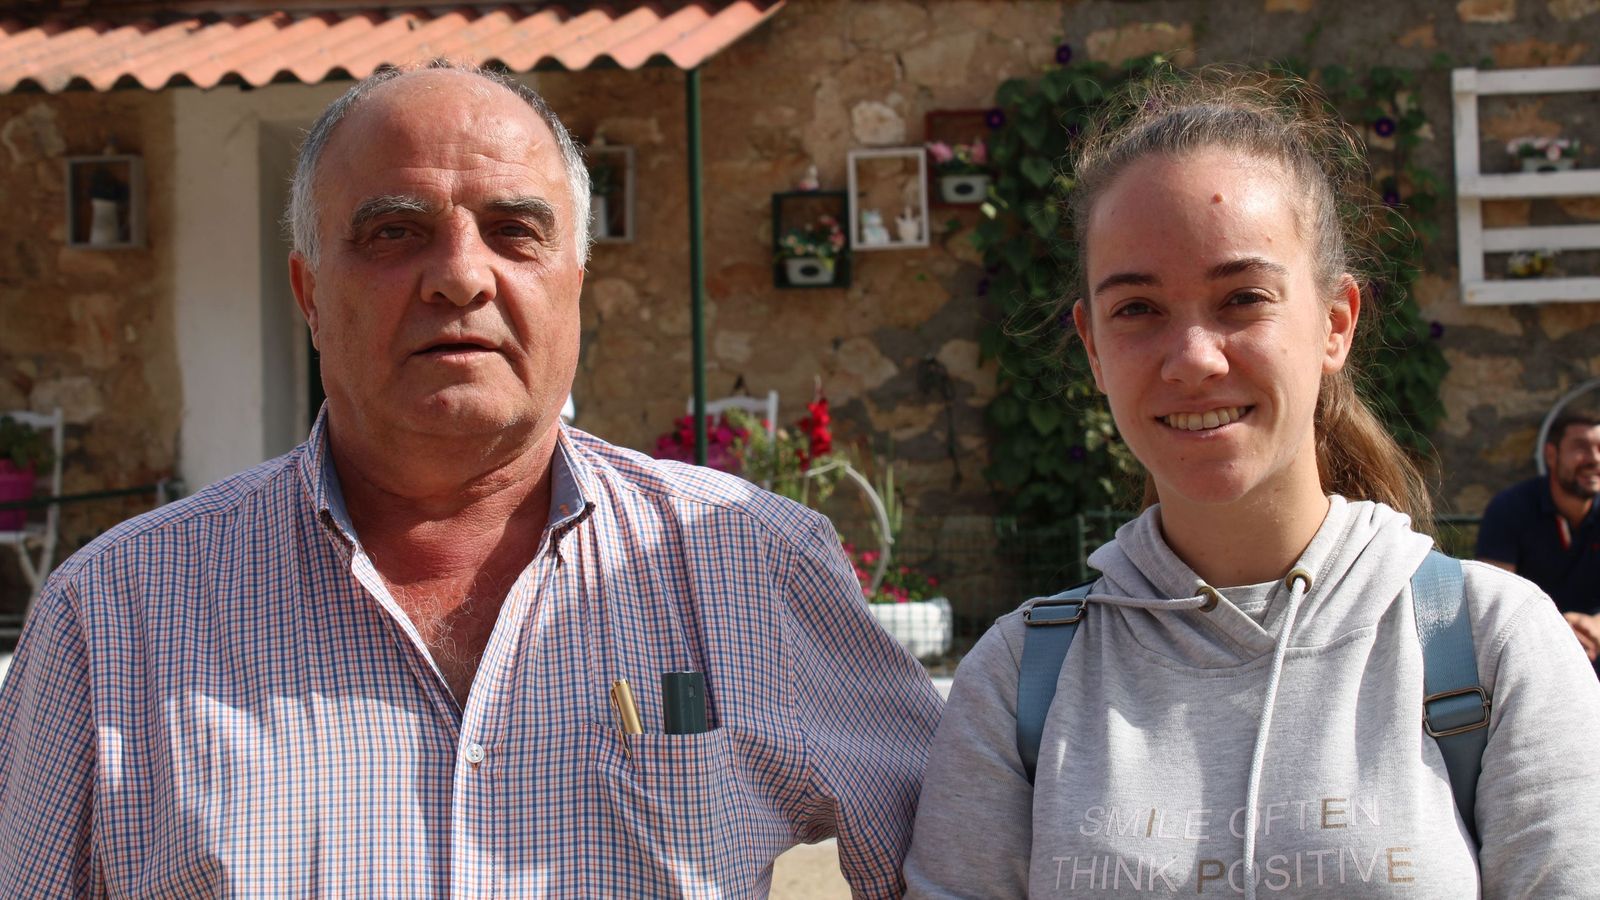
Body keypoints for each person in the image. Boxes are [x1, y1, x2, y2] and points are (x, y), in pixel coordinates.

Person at [0, 62, 941, 896]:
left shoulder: (749, 567)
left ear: (576, 278)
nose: (459, 276)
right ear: (309, 294)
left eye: (514, 230)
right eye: (393, 232)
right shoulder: (114, 620)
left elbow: (960, 868)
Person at [904, 69, 1600, 898]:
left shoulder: (1491, 643)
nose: (1194, 358)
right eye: (1137, 310)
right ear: (1092, 347)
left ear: (1336, 322)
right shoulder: (1017, 681)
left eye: (1242, 299)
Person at [1476, 410, 1600, 674]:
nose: (1594, 458)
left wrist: (1596, 625)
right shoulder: (1510, 508)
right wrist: (1556, 632)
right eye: (1581, 448)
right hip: (1529, 651)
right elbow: (1490, 602)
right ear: (1552, 455)